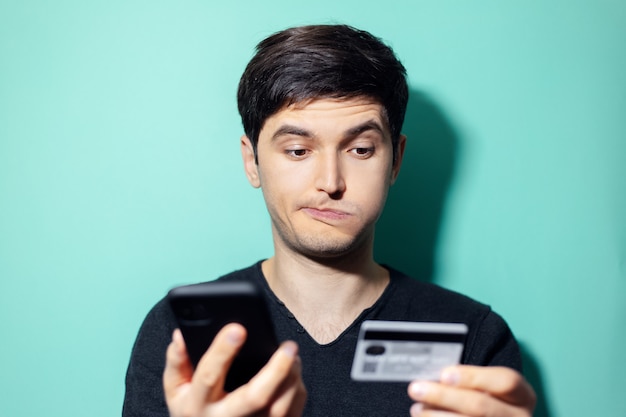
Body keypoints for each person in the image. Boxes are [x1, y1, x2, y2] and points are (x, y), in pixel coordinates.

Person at [123, 24, 536, 417]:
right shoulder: (179, 331)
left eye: (360, 150)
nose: (331, 182)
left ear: (396, 161)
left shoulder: (474, 335)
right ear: (252, 161)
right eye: (299, 151)